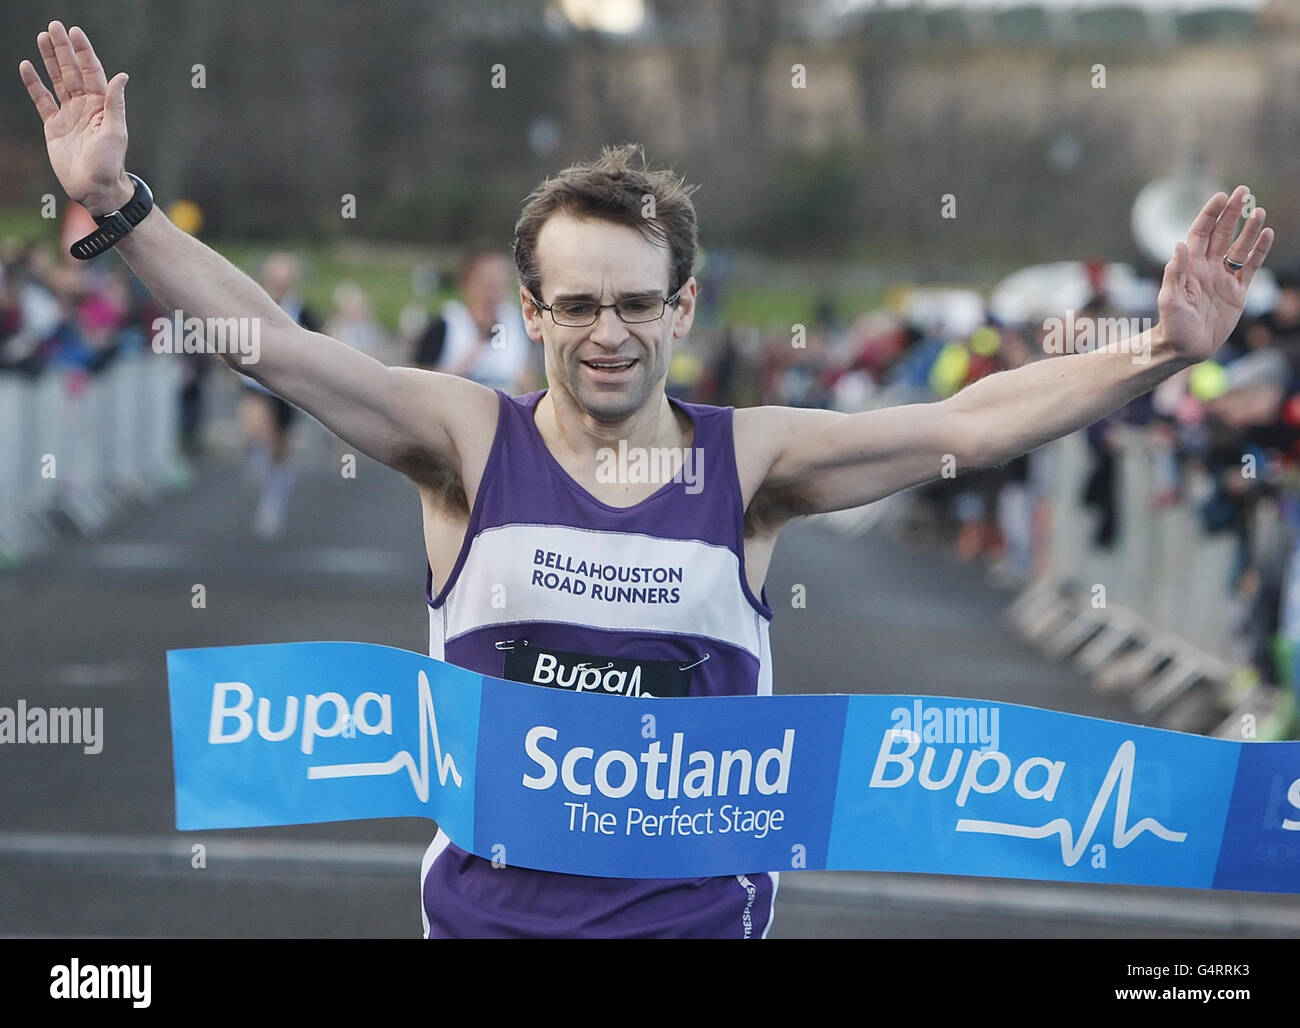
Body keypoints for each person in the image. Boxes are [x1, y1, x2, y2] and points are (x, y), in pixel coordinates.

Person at [19, 20, 1273, 938]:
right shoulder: (465, 441)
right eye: (575, 305)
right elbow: (274, 344)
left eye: (633, 302)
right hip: (485, 927)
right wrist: (120, 202)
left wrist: (1160, 347)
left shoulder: (754, 463)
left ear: (681, 307)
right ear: (533, 310)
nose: (604, 331)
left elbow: (971, 422)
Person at [412, 249, 534, 393]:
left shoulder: (519, 324)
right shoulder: (443, 326)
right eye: (486, 285)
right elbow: (417, 387)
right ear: (465, 283)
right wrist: (462, 367)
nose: (493, 294)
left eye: (499, 285)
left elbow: (528, 380)